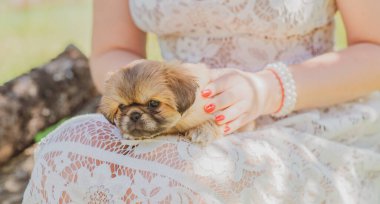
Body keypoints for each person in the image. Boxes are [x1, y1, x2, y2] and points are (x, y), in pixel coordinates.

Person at [23, 0, 380, 203]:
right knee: (63, 151)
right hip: (173, 115)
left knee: (179, 179)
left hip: (306, 114)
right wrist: (145, 90)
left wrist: (267, 89)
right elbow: (111, 51)